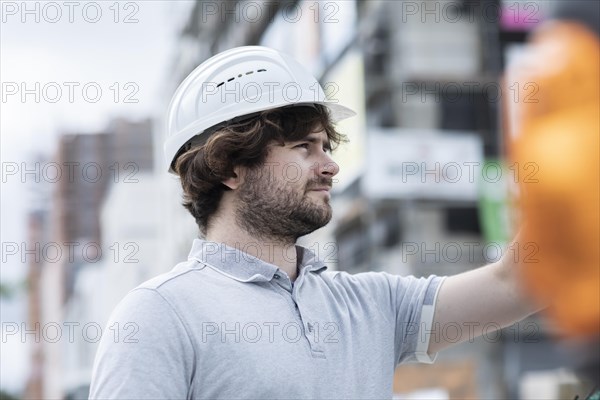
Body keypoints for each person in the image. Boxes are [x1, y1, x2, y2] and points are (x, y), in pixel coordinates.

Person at [89, 46, 538, 399]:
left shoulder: (371, 305)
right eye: (304, 147)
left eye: (326, 146)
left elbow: (516, 283)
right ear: (229, 167)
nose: (330, 166)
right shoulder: (159, 315)